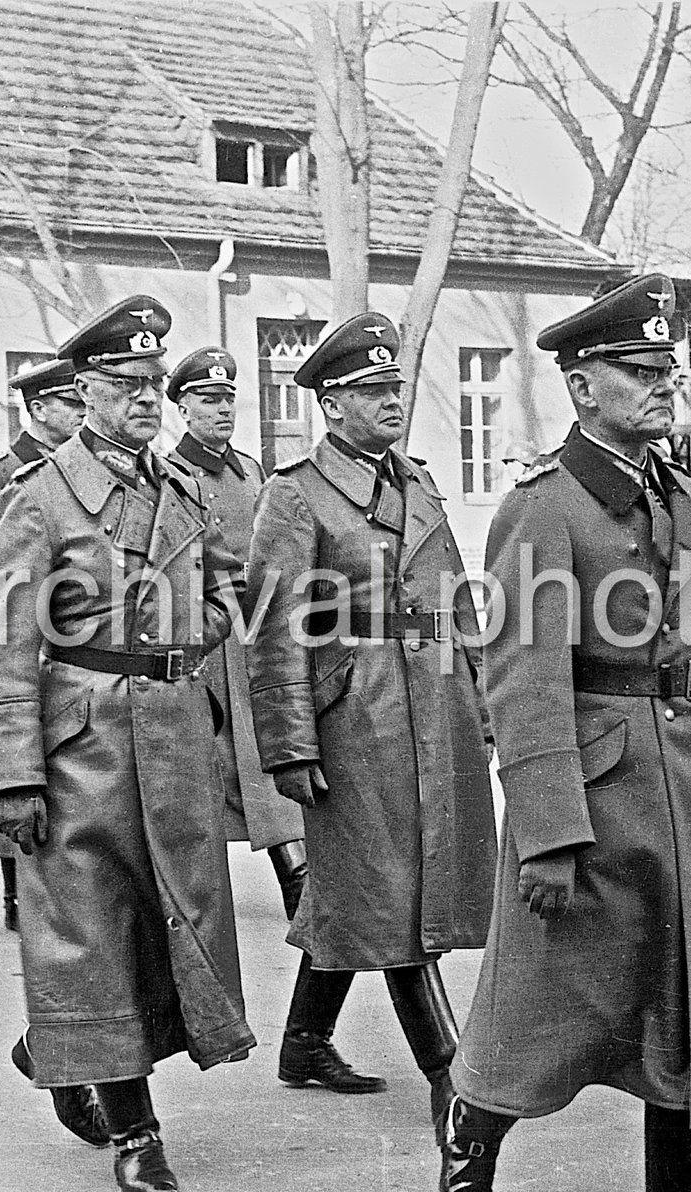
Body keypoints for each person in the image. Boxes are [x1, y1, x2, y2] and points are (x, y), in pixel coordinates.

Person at [438, 275, 691, 1192]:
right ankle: (472, 1116)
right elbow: (521, 677)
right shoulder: (544, 510)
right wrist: (547, 830)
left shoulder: (680, 501)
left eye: (664, 372)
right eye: (637, 373)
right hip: (597, 796)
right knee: (547, 1004)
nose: (660, 388)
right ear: (583, 386)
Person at [0, 294, 255, 1192]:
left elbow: (228, 590)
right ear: (86, 390)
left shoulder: (183, 489)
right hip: (81, 741)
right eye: (128, 385)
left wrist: (190, 638)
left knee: (163, 918)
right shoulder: (39, 501)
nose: (146, 401)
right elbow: (5, 643)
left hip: (172, 731)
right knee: (93, 925)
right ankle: (136, 1129)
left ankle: (53, 1047)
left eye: (153, 387)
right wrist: (11, 774)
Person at [245, 313, 494, 1125]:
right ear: (332, 405)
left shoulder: (416, 480)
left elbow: (456, 602)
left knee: (368, 887)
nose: (393, 402)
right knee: (392, 893)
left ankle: (304, 1041)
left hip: (434, 704)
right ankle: (450, 1077)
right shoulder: (295, 494)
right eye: (374, 391)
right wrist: (287, 744)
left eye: (397, 388)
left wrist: (482, 701)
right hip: (355, 716)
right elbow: (276, 624)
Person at [162, 347, 312, 922]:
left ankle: (299, 874)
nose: (222, 410)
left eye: (228, 399)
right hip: (211, 634)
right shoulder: (172, 474)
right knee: (226, 762)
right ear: (182, 408)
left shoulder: (251, 470)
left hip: (262, 627)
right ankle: (289, 874)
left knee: (270, 747)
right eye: (207, 400)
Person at [0, 357, 85, 932]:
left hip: (77, 646)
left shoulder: (81, 472)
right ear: (37, 410)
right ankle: (15, 893)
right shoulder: (0, 477)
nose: (83, 412)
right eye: (70, 403)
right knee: (16, 767)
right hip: (23, 644)